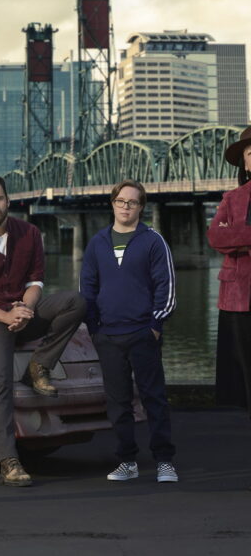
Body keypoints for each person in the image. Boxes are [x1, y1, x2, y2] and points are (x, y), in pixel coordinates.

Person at [0, 173, 86, 487]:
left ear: (7, 200)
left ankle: (39, 365)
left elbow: (35, 281)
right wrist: (5, 316)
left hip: (21, 312)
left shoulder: (29, 232)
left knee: (75, 302)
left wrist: (25, 309)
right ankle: (8, 461)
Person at [80, 179, 177, 483]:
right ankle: (127, 461)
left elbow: (167, 286)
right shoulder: (97, 242)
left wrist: (155, 326)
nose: (125, 206)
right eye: (121, 201)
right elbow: (87, 288)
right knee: (118, 402)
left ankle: (164, 461)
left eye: (132, 202)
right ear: (112, 203)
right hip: (108, 335)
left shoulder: (152, 240)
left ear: (140, 207)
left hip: (142, 333)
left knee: (154, 398)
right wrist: (95, 327)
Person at [207, 126, 251, 471]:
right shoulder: (231, 198)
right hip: (238, 301)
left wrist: (235, 235)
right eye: (247, 153)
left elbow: (228, 236)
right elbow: (214, 237)